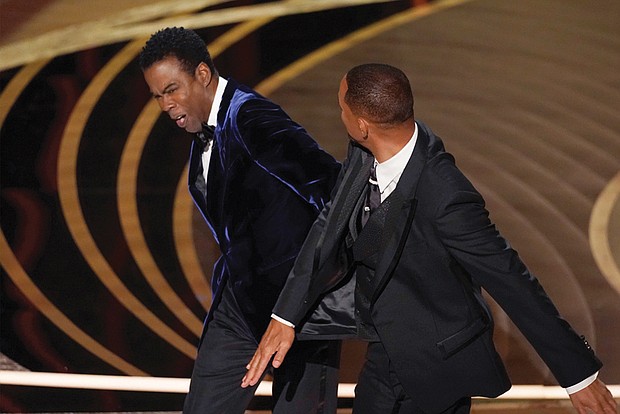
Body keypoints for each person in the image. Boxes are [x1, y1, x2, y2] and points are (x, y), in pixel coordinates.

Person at [242, 63, 618, 413]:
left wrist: (578, 376)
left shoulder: (446, 195)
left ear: (361, 125)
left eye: (341, 108)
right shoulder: (363, 151)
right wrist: (285, 315)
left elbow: (512, 280)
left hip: (439, 366)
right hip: (385, 353)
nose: (339, 116)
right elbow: (332, 221)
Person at [139, 27, 342, 414]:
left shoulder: (250, 116)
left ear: (201, 74)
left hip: (297, 310)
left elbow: (329, 185)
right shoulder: (204, 134)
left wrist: (300, 298)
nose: (165, 105)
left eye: (171, 90)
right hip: (239, 304)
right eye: (157, 96)